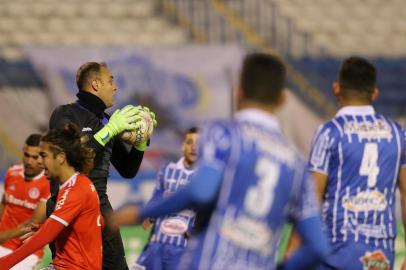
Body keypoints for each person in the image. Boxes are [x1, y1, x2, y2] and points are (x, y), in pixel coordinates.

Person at [111, 53, 329, 270]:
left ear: (238, 92)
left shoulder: (223, 134)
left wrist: (142, 213)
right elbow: (319, 247)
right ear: (282, 99)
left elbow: (201, 190)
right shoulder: (296, 162)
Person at [291, 57, 406, 269]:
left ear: (336, 88)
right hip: (379, 257)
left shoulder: (329, 133)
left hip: (335, 253)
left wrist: (294, 249)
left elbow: (313, 195)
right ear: (374, 93)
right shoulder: (399, 135)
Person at [47, 62, 157, 269]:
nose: (115, 87)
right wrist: (110, 130)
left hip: (99, 208)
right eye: (110, 81)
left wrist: (141, 144)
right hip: (67, 207)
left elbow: (128, 170)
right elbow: (69, 158)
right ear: (96, 85)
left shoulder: (107, 121)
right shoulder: (65, 114)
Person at [0, 124, 103, 270]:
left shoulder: (76, 189)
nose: (40, 162)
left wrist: (4, 264)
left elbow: (47, 236)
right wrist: (42, 228)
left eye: (43, 156)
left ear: (61, 157)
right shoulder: (72, 185)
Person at [133, 127, 199, 270]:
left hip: (183, 246)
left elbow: (206, 210)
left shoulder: (203, 178)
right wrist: (149, 215)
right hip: (158, 242)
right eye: (190, 142)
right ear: (183, 146)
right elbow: (157, 195)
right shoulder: (168, 170)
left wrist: (195, 228)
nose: (194, 147)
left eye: (198, 143)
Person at [0, 134, 50, 269]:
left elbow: (32, 225)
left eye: (35, 157)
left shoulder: (48, 183)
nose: (29, 161)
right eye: (26, 155)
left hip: (28, 252)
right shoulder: (12, 173)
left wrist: (2, 237)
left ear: (43, 157)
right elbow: (4, 205)